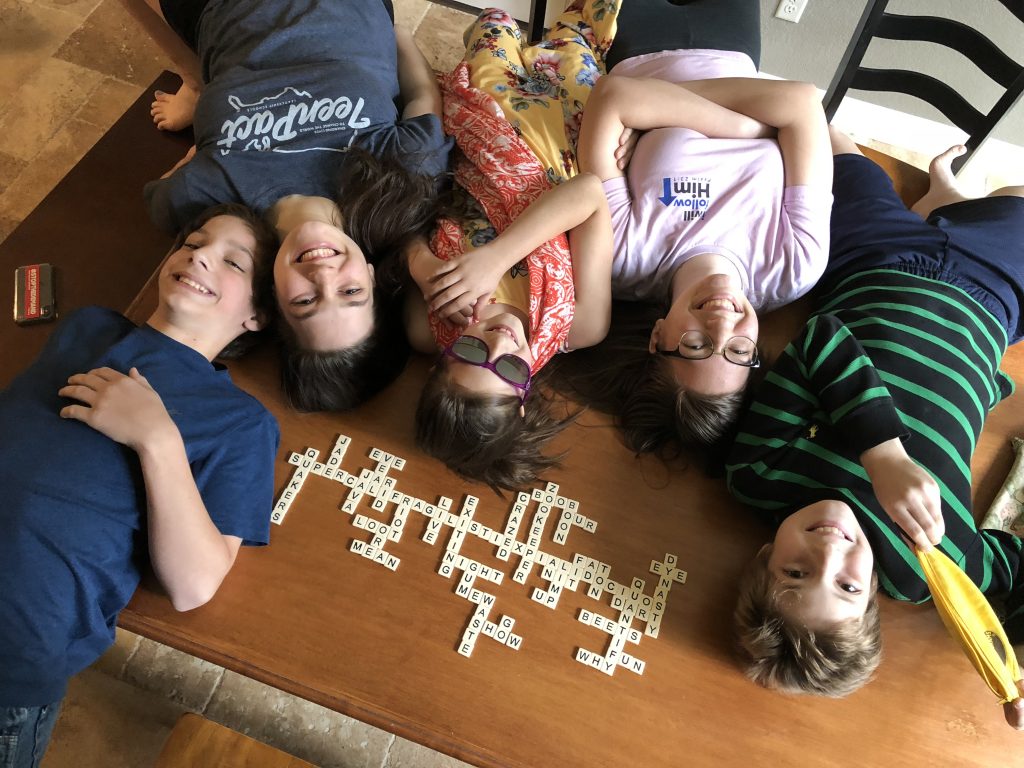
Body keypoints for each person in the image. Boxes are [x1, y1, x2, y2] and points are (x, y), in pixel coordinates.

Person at [725, 131, 1024, 719]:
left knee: (830, 139)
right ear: (873, 600)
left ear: (764, 557)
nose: (830, 552)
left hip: (876, 260)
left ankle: (940, 203)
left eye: (795, 571)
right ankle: (948, 199)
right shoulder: (934, 569)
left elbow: (821, 338)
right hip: (990, 300)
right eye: (846, 586)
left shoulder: (760, 475)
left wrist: (882, 453)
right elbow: (1017, 569)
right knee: (1016, 193)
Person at [0, 203, 281, 766]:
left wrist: (157, 439)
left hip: (12, 650)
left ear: (256, 315)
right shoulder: (88, 325)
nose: (199, 254)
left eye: (232, 261)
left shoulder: (241, 422)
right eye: (194, 241)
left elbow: (194, 584)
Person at [125, 0, 452, 409]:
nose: (322, 274)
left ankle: (196, 81)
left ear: (273, 302)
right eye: (350, 291)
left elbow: (166, 186)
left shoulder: (205, 204)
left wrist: (203, 133)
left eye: (305, 301)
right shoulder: (400, 181)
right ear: (371, 276)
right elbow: (422, 94)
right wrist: (397, 34)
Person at [560, 0, 833, 455]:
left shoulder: (625, 258)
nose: (723, 325)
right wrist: (747, 128)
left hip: (639, 40)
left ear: (658, 338)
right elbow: (804, 102)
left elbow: (610, 95)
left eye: (696, 346)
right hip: (732, 40)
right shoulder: (794, 265)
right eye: (739, 352)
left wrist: (768, 128)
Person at [403, 3, 617, 490]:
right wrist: (496, 258)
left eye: (472, 351)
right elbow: (589, 193)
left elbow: (403, 227)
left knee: (496, 22)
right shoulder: (579, 326)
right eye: (509, 366)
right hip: (560, 132)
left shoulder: (426, 326)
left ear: (441, 361)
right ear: (524, 395)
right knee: (578, 32)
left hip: (487, 119)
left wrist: (420, 264)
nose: (499, 341)